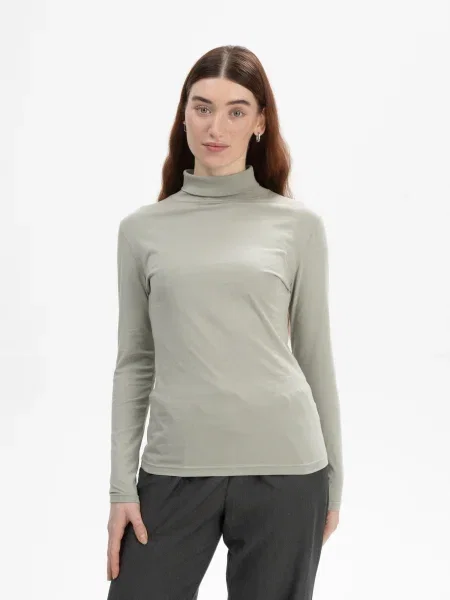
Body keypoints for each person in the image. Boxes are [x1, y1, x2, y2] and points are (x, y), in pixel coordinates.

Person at [106, 44, 344, 600]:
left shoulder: (298, 227)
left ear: (260, 122)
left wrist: (335, 481)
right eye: (203, 107)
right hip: (175, 467)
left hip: (286, 468)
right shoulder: (142, 230)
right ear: (184, 115)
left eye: (237, 111)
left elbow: (315, 357)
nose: (217, 127)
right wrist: (122, 487)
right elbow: (135, 362)